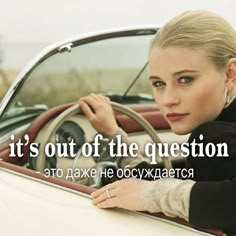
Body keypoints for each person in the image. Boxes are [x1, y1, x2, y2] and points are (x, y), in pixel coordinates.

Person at [78, 10, 236, 233]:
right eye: (159, 83)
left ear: (230, 73)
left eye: (185, 79)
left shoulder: (213, 134)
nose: (168, 100)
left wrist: (151, 196)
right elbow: (174, 181)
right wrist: (114, 134)